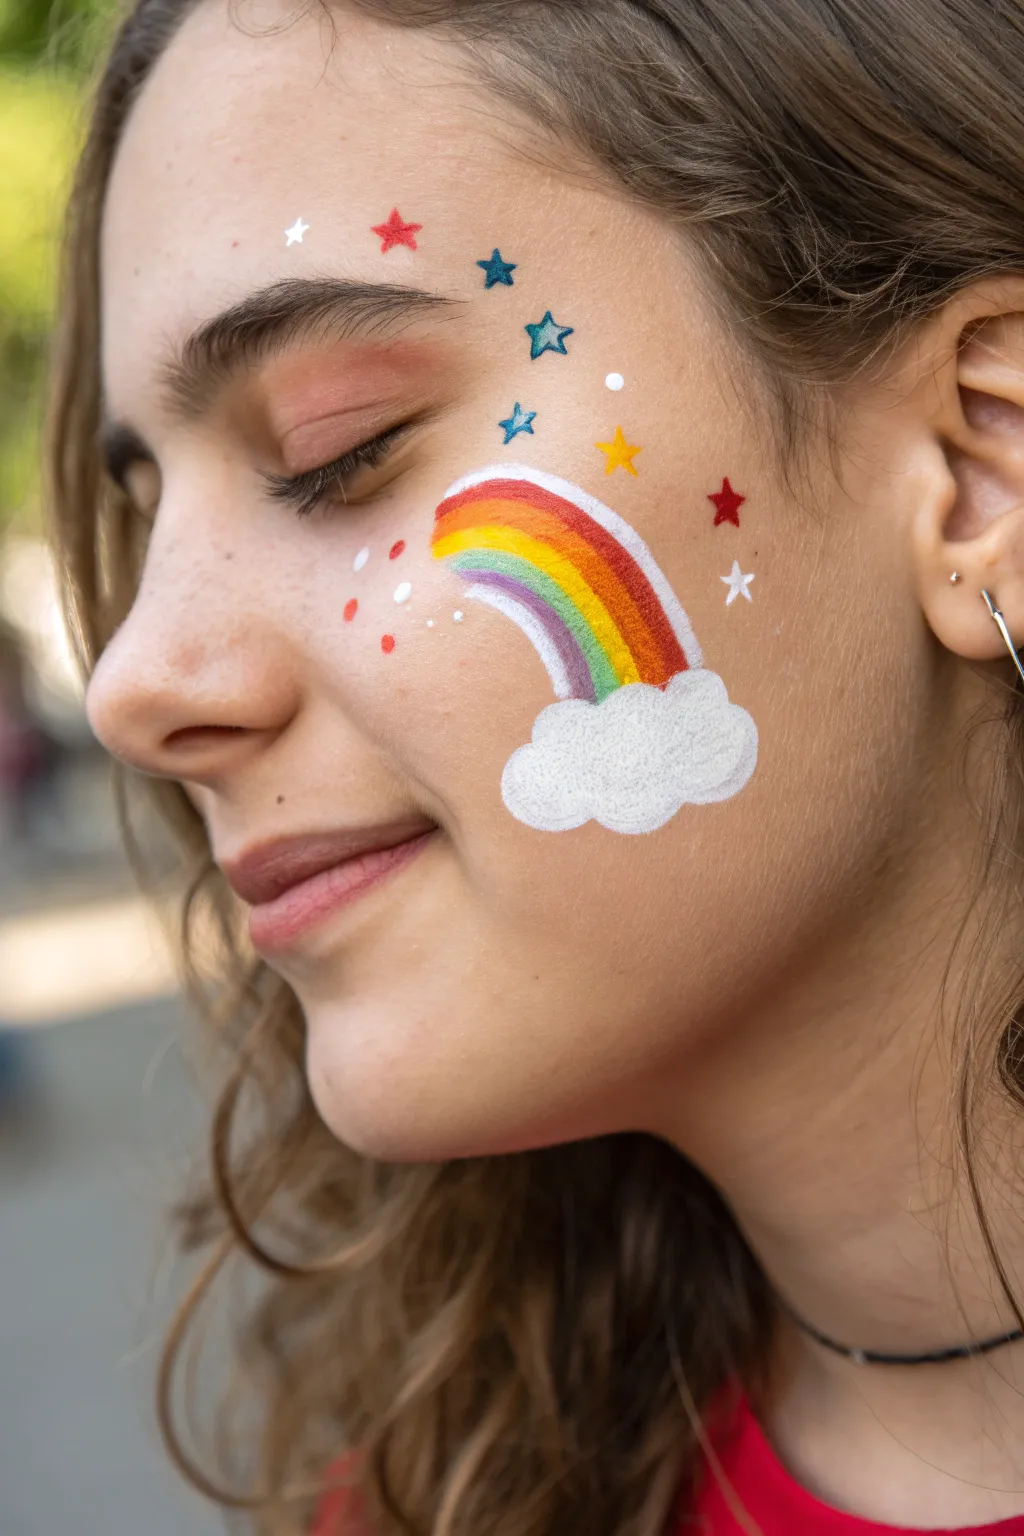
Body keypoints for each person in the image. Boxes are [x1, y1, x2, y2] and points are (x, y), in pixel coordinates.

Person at [45, 0, 1024, 1531]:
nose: (133, 685)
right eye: (151, 508)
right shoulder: (443, 1498)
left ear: (981, 464)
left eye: (336, 449)